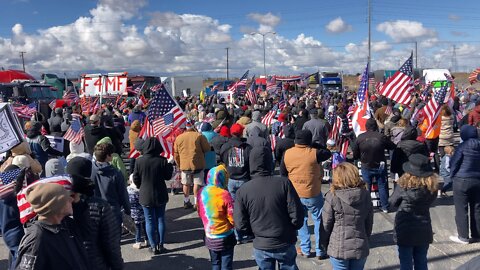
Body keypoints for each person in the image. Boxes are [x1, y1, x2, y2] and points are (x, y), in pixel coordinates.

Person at [235, 143, 304, 269]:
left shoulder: (243, 190)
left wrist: (255, 234)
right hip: (284, 240)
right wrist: (290, 229)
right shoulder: (284, 183)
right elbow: (297, 214)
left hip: (261, 243)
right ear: (270, 162)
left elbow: (240, 224)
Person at [280, 129, 331, 259]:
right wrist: (314, 144)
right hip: (313, 192)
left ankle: (305, 248)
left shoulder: (287, 154)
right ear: (309, 141)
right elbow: (327, 153)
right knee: (319, 219)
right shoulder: (315, 153)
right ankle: (320, 249)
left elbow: (283, 174)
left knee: (301, 221)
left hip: (295, 193)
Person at [15, 183, 89, 270]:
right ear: (56, 206)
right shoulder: (37, 238)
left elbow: (87, 231)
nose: (71, 199)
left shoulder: (65, 225)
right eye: (66, 198)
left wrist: (79, 205)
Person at [67, 157, 124, 270]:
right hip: (95, 263)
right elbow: (111, 245)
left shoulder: (59, 204)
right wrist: (118, 266)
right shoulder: (99, 206)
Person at [388, 154, 438, 270]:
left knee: (406, 263)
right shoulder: (431, 188)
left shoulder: (403, 186)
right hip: (424, 227)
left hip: (405, 228)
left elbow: (392, 202)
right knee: (421, 261)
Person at [321, 162, 373, 270]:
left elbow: (326, 225)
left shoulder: (332, 196)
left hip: (338, 246)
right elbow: (369, 223)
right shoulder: (365, 195)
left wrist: (324, 244)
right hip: (360, 245)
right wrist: (365, 239)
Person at [133, 138, 174, 255]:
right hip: (160, 193)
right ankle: (161, 244)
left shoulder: (139, 161)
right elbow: (167, 176)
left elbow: (136, 177)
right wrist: (170, 165)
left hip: (145, 194)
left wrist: (141, 185)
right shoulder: (162, 160)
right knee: (161, 219)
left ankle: (152, 245)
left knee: (149, 221)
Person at [352, 118, 396, 212]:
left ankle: (366, 207)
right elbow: (392, 146)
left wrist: (360, 158)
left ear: (366, 127)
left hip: (366, 165)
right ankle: (385, 206)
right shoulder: (381, 137)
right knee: (382, 186)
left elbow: (355, 153)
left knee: (367, 187)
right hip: (380, 165)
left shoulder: (360, 137)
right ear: (375, 126)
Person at [197, 165, 236, 270]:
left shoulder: (201, 192)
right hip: (225, 236)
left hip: (210, 235)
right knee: (226, 265)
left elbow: (199, 212)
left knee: (215, 263)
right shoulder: (224, 194)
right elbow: (232, 217)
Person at [219, 123, 253, 243]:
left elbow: (222, 158)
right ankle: (244, 233)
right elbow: (251, 162)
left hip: (232, 180)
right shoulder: (247, 148)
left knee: (233, 208)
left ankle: (237, 235)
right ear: (241, 133)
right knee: (246, 208)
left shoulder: (226, 146)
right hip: (244, 180)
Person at [449, 125, 480, 244]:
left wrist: (452, 175)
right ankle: (477, 234)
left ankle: (463, 236)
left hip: (461, 179)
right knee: (477, 208)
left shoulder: (462, 146)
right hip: (477, 179)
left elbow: (455, 162)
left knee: (461, 208)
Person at [174, 120, 211, 209]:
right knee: (197, 184)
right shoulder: (199, 136)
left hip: (184, 165)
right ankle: (196, 202)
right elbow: (207, 149)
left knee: (185, 184)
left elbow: (176, 153)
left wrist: (179, 163)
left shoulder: (179, 138)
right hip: (198, 164)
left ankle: (186, 201)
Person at [91, 143, 130, 225]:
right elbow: (122, 194)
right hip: (113, 211)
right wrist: (128, 210)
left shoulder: (90, 171)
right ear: (108, 156)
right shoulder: (115, 173)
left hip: (94, 210)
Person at [0, 165, 24, 270]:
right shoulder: (16, 196)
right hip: (17, 232)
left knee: (14, 254)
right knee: (19, 258)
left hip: (6, 233)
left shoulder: (2, 196)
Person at [127, 174, 147, 249]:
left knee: (137, 228)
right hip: (143, 212)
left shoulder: (128, 190)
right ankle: (147, 239)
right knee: (145, 226)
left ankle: (138, 241)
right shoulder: (142, 189)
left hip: (134, 213)